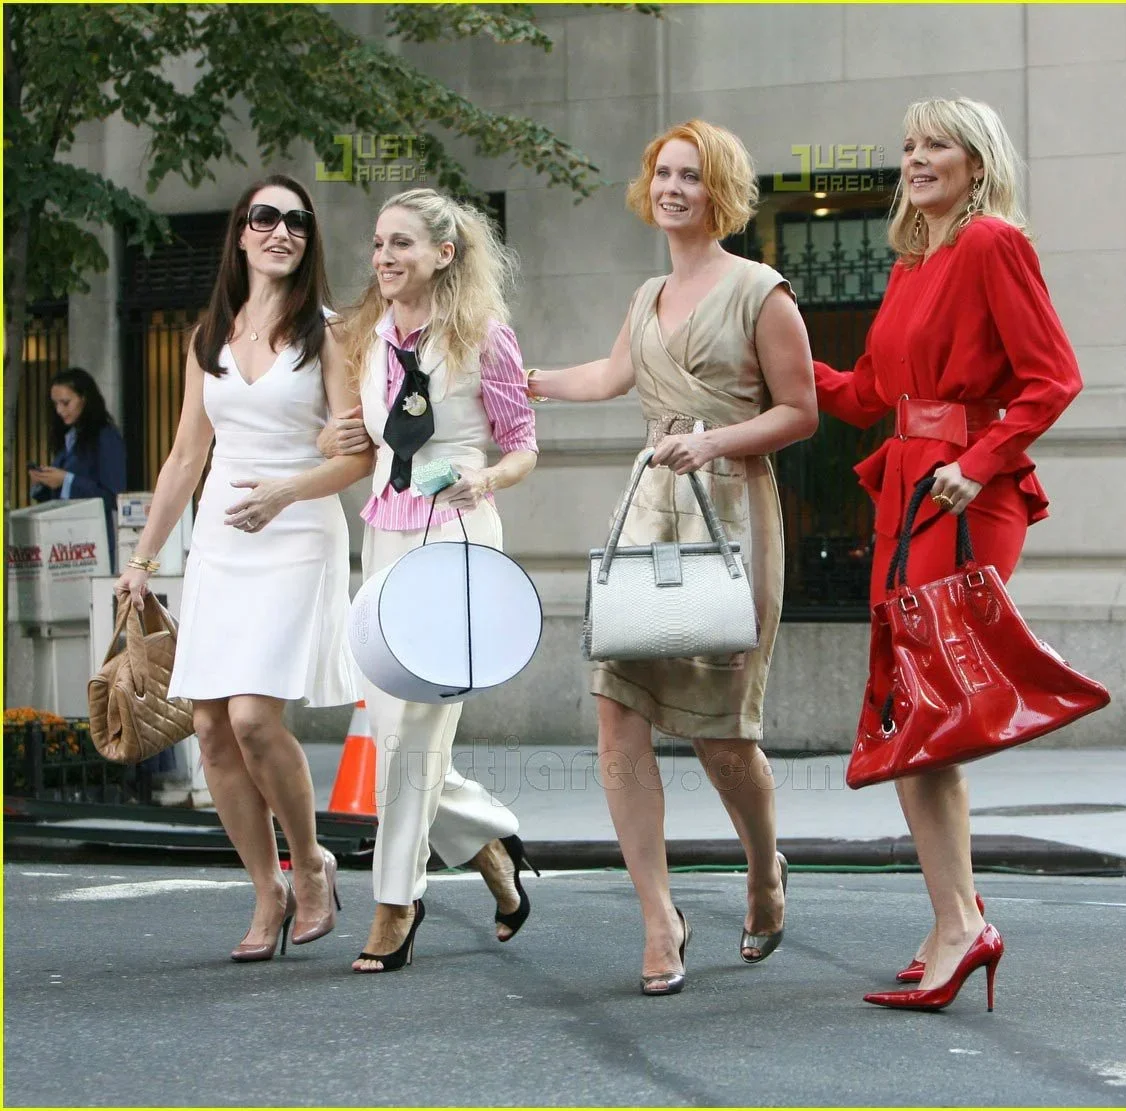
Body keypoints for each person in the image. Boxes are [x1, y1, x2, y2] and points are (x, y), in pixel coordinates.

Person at [527, 120, 820, 995]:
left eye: (690, 175)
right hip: (650, 513)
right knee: (616, 709)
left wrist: (714, 439)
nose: (672, 188)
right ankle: (659, 917)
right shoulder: (647, 292)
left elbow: (801, 411)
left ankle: (763, 869)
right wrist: (525, 381)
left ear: (717, 189)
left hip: (731, 514)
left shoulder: (761, 291)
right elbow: (611, 375)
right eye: (663, 173)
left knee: (724, 735)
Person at [813, 97, 1083, 1011]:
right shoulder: (912, 262)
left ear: (977, 162)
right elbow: (868, 394)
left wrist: (979, 461)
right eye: (908, 146)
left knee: (927, 711)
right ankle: (953, 914)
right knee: (911, 709)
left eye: (937, 144)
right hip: (909, 489)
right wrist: (776, 356)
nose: (917, 158)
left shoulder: (992, 243)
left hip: (966, 494)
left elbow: (1054, 377)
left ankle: (961, 923)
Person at [114, 174, 374, 963]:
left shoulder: (328, 334)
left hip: (297, 533)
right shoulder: (209, 337)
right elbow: (185, 456)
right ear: (240, 233)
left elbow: (357, 454)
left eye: (297, 220)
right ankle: (267, 889)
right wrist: (143, 557)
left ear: (308, 239)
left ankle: (311, 862)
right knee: (209, 728)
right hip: (223, 544)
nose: (281, 230)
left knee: (255, 718)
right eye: (266, 217)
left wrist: (286, 490)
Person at [317, 187, 539, 973]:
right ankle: (492, 849)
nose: (384, 257)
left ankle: (396, 901)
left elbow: (523, 444)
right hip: (384, 534)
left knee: (414, 730)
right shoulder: (367, 338)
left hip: (457, 536)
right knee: (392, 729)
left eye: (402, 243)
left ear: (444, 254)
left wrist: (490, 480)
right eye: (379, 243)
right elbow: (354, 438)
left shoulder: (485, 335)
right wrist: (337, 434)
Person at [30, 366, 127, 570]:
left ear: (84, 399)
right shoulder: (69, 438)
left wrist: (67, 480)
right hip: (65, 542)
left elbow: (113, 495)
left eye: (66, 403)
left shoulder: (106, 437)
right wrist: (44, 481)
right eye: (55, 404)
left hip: (93, 542)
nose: (60, 410)